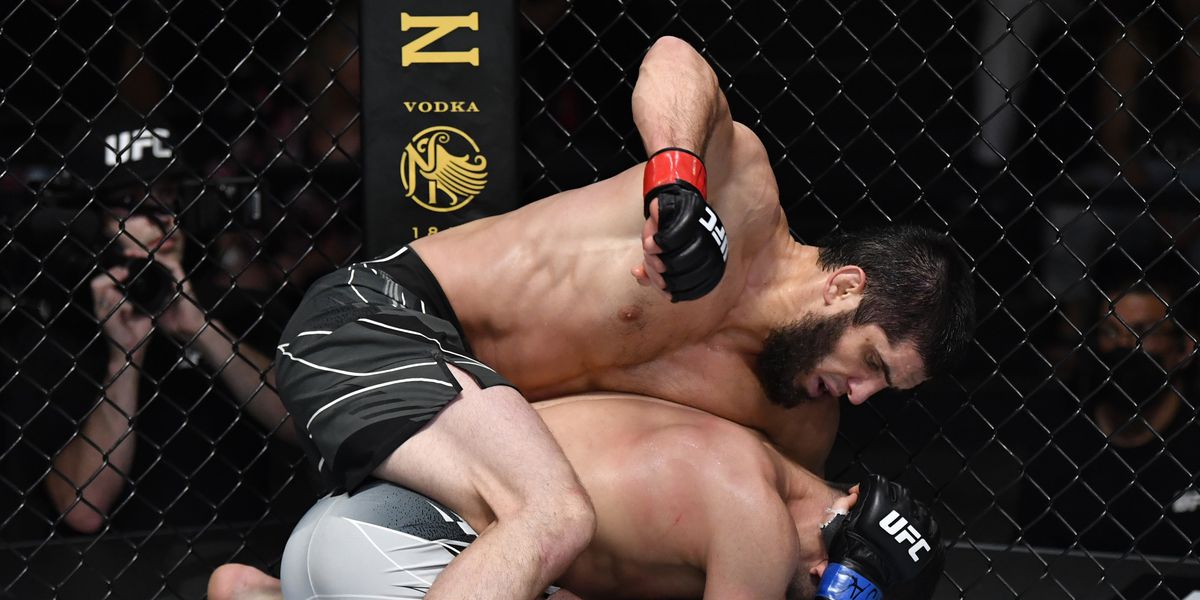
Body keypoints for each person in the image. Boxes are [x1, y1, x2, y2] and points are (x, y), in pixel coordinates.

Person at [274, 35, 976, 599]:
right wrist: (679, 182)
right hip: (386, 320)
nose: (861, 396)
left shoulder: (795, 425)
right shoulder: (743, 198)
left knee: (548, 532)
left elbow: (716, 549)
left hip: (464, 439)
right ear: (844, 288)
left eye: (885, 388)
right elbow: (673, 59)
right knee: (552, 516)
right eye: (872, 362)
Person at [209, 393, 945, 599]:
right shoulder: (760, 525)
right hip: (411, 553)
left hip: (347, 528)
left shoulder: (733, 444)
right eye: (833, 577)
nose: (812, 582)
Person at [18, 107, 296, 535]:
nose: (162, 218)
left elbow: (304, 426)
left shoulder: (238, 310)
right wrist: (124, 360)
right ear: (91, 223)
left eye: (167, 196)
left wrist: (201, 330)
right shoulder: (54, 337)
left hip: (247, 548)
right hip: (121, 562)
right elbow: (83, 508)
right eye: (133, 203)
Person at [1020, 280, 1200, 555]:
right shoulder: (1058, 434)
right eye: (1111, 331)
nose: (1124, 344)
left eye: (1143, 331)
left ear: (1185, 348)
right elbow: (1028, 559)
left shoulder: (1193, 440)